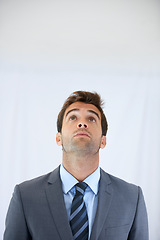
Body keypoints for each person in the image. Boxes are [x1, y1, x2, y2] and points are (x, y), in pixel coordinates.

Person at [4, 91, 149, 240]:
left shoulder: (132, 198)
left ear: (103, 141)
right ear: (58, 138)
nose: (82, 123)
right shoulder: (25, 196)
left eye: (92, 119)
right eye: (73, 117)